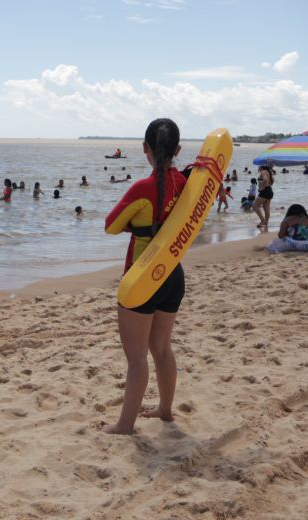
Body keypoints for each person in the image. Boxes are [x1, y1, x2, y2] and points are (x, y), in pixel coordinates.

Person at [103, 118, 188, 435]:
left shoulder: (141, 188)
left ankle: (125, 425)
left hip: (141, 279)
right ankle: (165, 409)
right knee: (162, 348)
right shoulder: (186, 184)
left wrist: (136, 225)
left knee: (136, 358)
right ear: (178, 149)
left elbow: (110, 225)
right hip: (173, 276)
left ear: (145, 149)